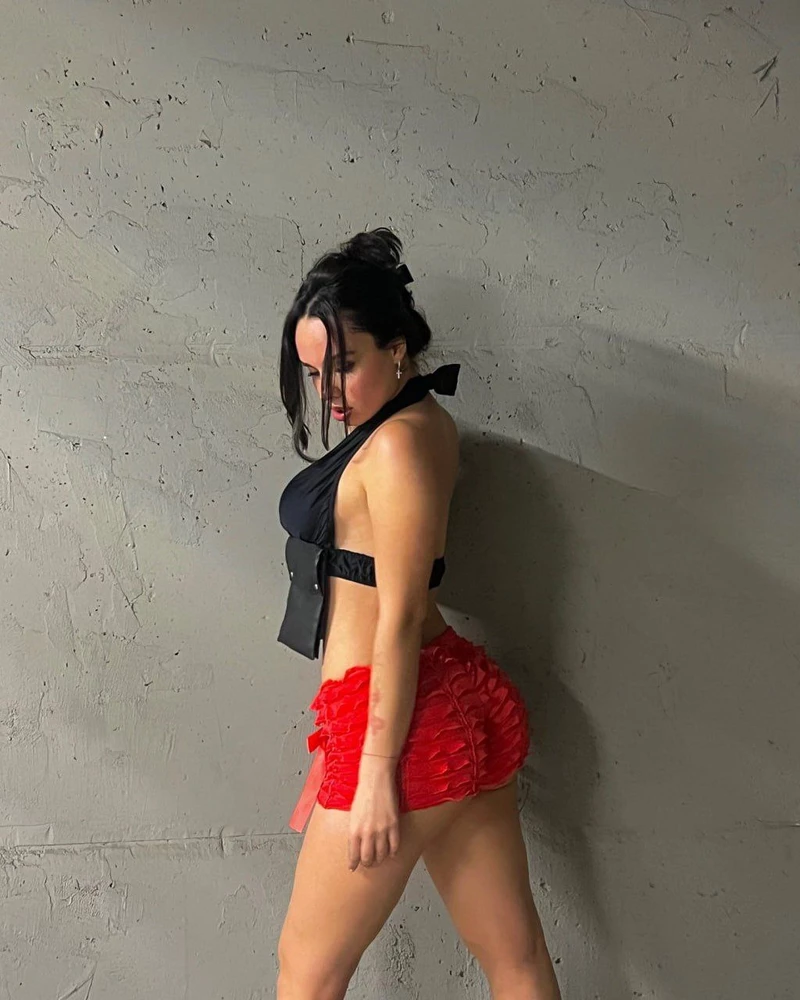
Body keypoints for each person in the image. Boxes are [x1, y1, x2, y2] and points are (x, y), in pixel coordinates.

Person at [274, 226, 562, 1000]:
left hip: (400, 722)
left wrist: (372, 772)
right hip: (449, 701)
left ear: (397, 349)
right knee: (516, 956)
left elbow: (397, 621)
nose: (329, 393)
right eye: (313, 373)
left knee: (305, 970)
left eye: (344, 366)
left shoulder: (396, 448)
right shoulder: (420, 423)